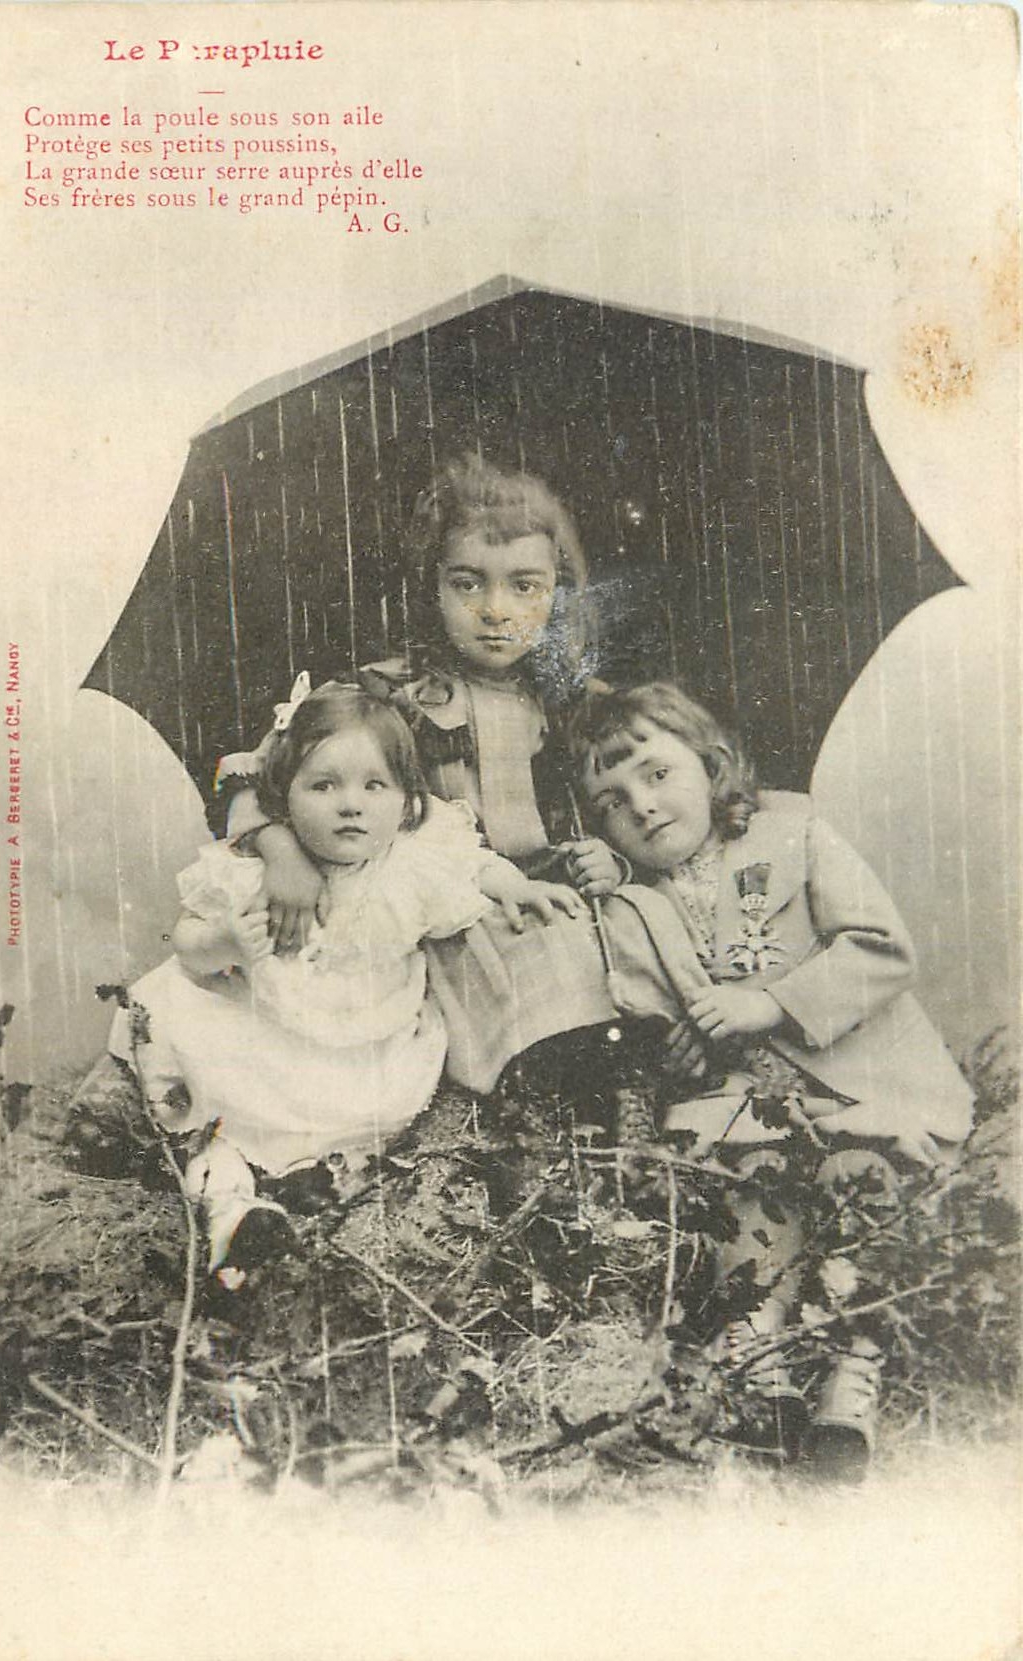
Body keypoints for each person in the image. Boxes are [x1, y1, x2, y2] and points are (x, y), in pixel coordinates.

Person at [569, 680, 974, 1473]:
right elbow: (650, 1003)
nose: (643, 805)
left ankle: (851, 1379)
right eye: (612, 801)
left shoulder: (793, 830)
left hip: (865, 1080)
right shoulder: (635, 901)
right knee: (757, 1194)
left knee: (863, 1188)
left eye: (656, 774)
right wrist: (682, 1037)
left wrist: (770, 1002)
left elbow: (880, 946)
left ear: (711, 763)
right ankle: (761, 1360)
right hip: (750, 1102)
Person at [108, 681, 581, 1284]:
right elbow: (188, 945)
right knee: (214, 1122)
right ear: (283, 798)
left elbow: (475, 866)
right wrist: (225, 943)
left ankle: (313, 1189)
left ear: (408, 800)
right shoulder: (255, 871)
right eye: (323, 785)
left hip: (365, 1040)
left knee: (356, 1125)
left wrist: (518, 887)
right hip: (262, 1029)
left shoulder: (411, 862)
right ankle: (232, 1214)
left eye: (373, 785)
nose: (349, 804)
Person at [217, 455, 626, 1086]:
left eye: (525, 586)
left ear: (559, 592)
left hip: (546, 889)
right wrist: (282, 854)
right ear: (431, 587)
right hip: (441, 905)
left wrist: (611, 858)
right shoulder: (388, 694)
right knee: (535, 959)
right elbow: (254, 779)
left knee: (605, 939)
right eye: (468, 583)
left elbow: (635, 806)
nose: (495, 609)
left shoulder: (576, 702)